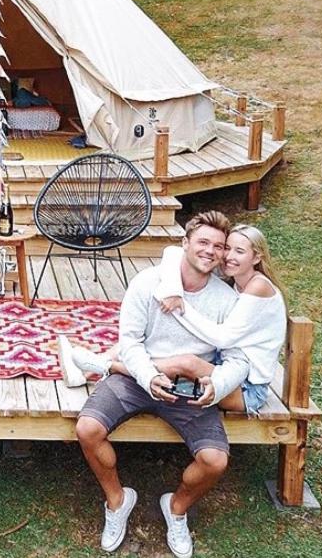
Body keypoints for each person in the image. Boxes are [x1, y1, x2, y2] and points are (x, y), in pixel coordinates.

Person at [72, 211, 248, 558]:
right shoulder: (147, 283)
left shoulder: (226, 300)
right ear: (184, 244)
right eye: (202, 242)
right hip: (140, 376)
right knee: (87, 428)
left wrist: (218, 382)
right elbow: (130, 342)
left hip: (191, 388)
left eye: (218, 246)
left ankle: (177, 508)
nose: (210, 251)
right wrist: (149, 376)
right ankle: (117, 500)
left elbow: (238, 358)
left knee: (214, 461)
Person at [61, 224, 287, 415]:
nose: (228, 256)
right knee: (134, 342)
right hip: (226, 365)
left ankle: (107, 366)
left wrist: (181, 305)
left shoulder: (258, 286)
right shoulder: (235, 276)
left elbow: (224, 337)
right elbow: (172, 252)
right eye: (227, 248)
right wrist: (173, 287)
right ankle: (89, 366)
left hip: (247, 388)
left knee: (186, 362)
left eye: (240, 251)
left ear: (256, 257)